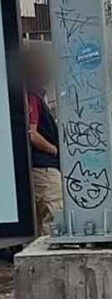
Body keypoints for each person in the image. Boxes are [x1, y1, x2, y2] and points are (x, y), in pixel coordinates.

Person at [23, 49, 62, 235]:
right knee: (55, 218)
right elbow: (31, 132)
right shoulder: (32, 96)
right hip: (44, 169)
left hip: (36, 168)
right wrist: (53, 149)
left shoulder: (30, 94)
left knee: (39, 226)